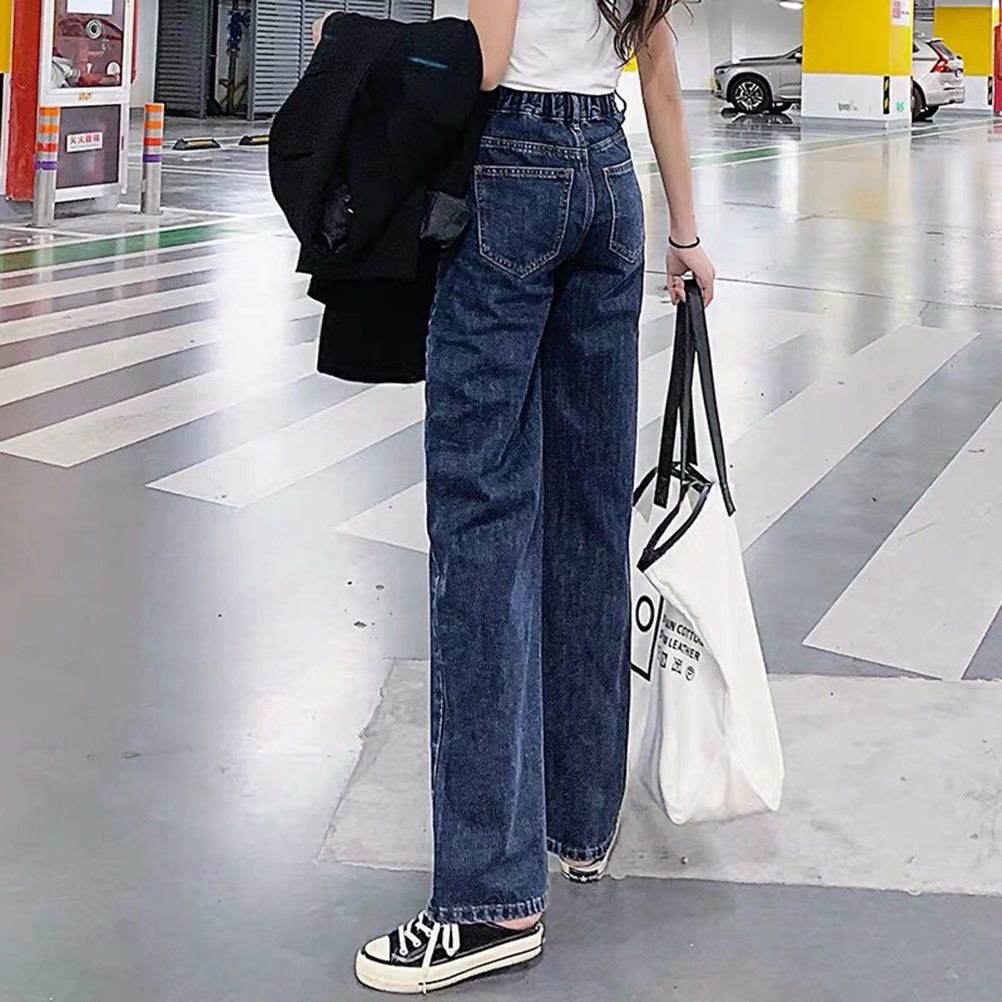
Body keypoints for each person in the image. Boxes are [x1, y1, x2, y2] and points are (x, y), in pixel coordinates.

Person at [352, 0, 715, 993]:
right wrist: (687, 237)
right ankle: (580, 822)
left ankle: (490, 901)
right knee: (587, 516)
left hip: (514, 174)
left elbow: (487, 60)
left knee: (482, 522)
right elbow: (660, 76)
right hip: (610, 181)